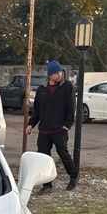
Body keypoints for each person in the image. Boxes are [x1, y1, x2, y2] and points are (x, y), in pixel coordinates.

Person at [26, 60, 78, 193]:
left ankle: (74, 176)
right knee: (43, 156)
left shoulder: (67, 87)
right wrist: (31, 124)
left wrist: (67, 125)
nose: (59, 74)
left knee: (63, 153)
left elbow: (71, 107)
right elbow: (37, 110)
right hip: (44, 129)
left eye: (60, 71)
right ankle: (47, 184)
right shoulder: (42, 89)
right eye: (56, 72)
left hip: (59, 129)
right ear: (49, 75)